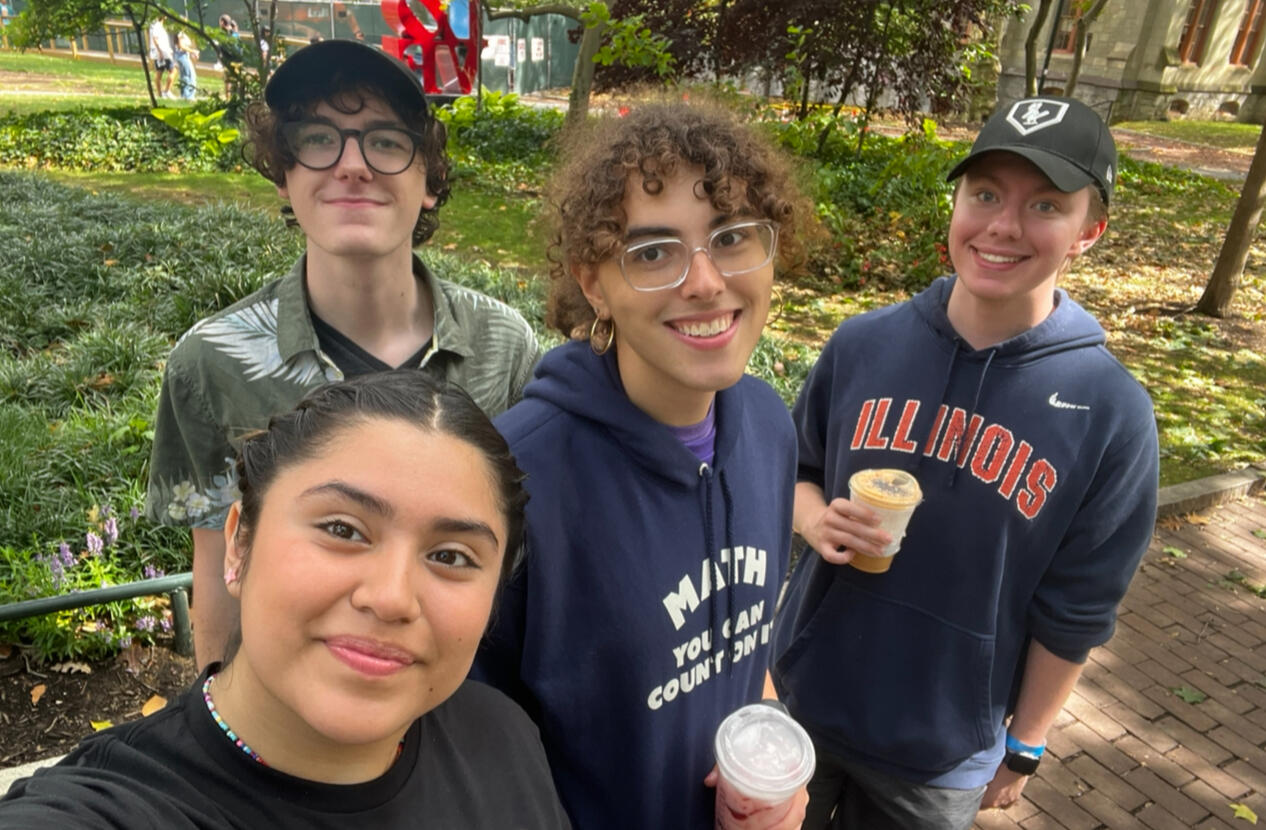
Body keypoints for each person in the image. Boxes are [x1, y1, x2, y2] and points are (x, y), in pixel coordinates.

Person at [771, 96, 1159, 830]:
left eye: (1045, 205)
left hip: (941, 750)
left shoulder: (1111, 413)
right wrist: (817, 519)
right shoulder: (862, 346)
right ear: (955, 202)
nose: (1003, 226)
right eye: (984, 194)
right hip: (802, 697)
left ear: (1090, 232)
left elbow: (1077, 607)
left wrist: (1027, 745)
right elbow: (798, 467)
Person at [0, 371, 570, 828]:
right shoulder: (113, 808)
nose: (391, 598)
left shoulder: (502, 740)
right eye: (343, 530)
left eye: (451, 557)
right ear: (238, 544)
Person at [145, 39, 541, 669]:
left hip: (455, 711)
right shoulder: (211, 364)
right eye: (319, 139)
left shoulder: (505, 345)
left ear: (429, 182)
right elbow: (219, 573)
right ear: (285, 171)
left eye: (385, 141)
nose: (352, 166)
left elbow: (516, 562)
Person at [472, 100, 813, 829]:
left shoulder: (767, 426)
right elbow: (461, 737)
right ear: (594, 283)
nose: (704, 281)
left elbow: (744, 646)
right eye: (653, 252)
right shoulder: (511, 480)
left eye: (732, 238)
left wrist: (774, 768)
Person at [147, 17, 176, 100]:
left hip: (162, 52)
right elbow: (155, 39)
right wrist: (160, 52)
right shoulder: (157, 26)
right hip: (163, 53)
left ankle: (161, 94)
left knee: (159, 72)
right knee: (173, 71)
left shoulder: (157, 26)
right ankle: (166, 91)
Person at [173, 29, 199, 101]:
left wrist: (191, 52)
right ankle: (189, 96)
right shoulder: (180, 33)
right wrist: (193, 51)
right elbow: (181, 46)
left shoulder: (182, 33)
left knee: (184, 76)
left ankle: (184, 95)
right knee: (190, 75)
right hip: (183, 56)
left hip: (182, 56)